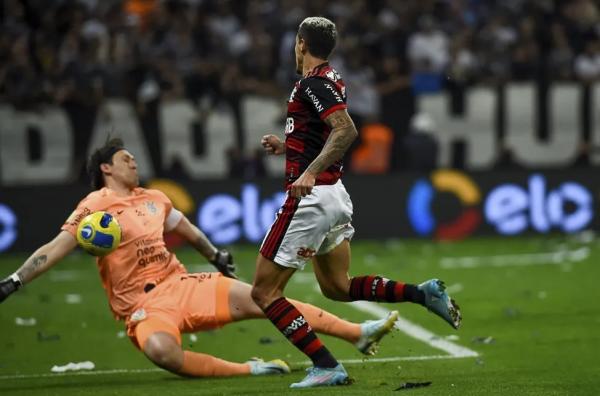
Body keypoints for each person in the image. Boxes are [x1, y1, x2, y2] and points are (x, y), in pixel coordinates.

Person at [0, 137, 399, 378]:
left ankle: (357, 333)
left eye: (134, 158)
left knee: (266, 297)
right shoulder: (95, 208)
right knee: (162, 353)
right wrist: (14, 281)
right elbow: (54, 248)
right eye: (125, 159)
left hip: (183, 284)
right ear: (106, 168)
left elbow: (188, 230)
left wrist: (215, 256)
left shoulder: (155, 198)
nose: (134, 162)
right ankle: (250, 368)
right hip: (142, 306)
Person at [251, 17, 462, 388]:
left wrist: (309, 171)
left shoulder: (315, 83)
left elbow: (345, 130)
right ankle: (422, 293)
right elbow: (321, 133)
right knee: (337, 287)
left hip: (313, 198)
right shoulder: (329, 79)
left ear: (301, 44)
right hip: (334, 196)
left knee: (264, 292)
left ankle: (326, 364)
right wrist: (289, 148)